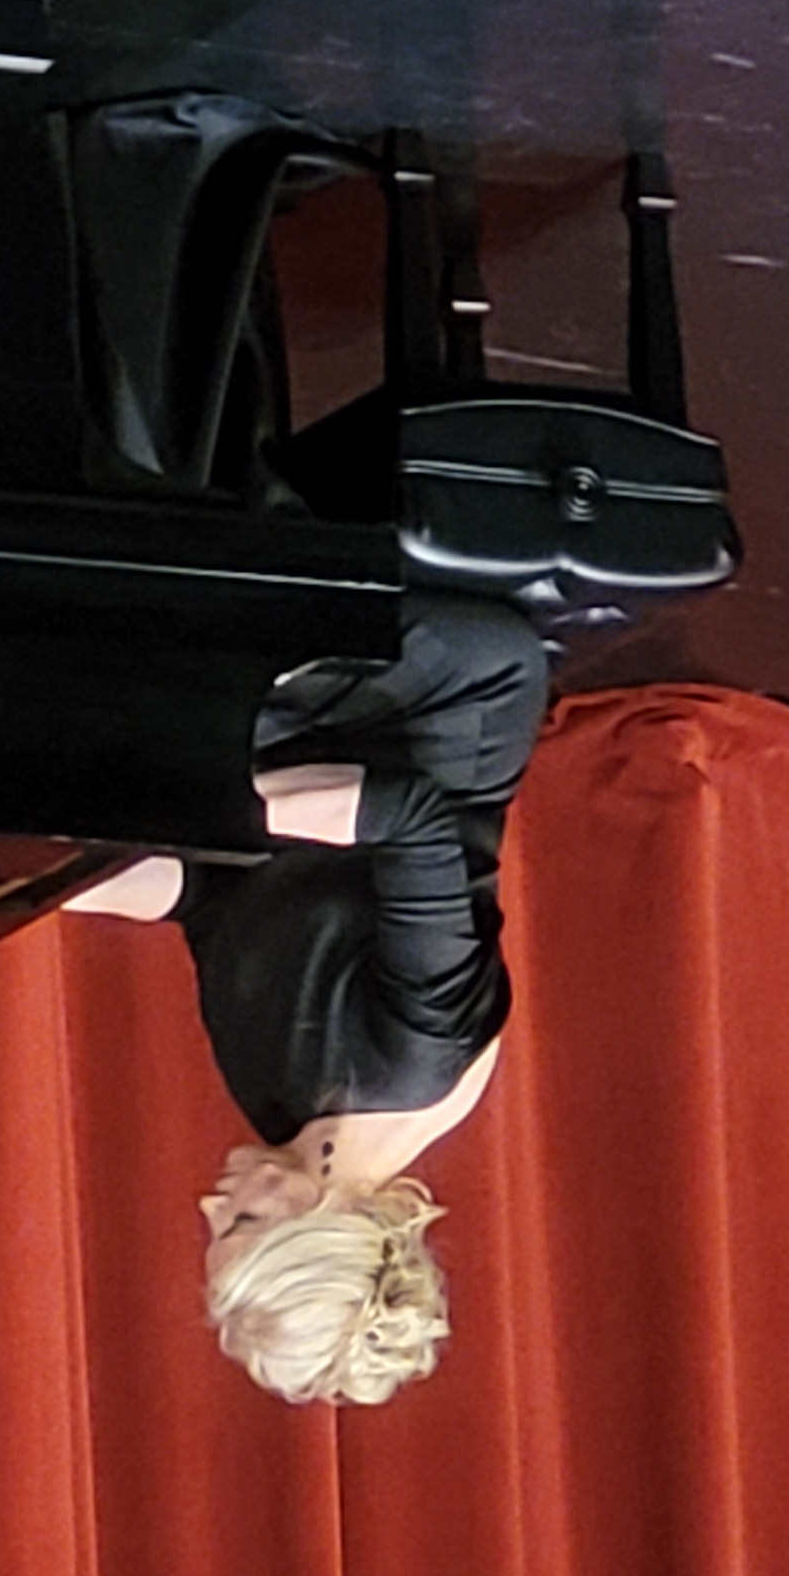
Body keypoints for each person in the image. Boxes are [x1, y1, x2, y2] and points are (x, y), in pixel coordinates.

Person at [63, 592, 549, 1405]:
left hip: (299, 729)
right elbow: (413, 817)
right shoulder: (418, 1057)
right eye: (241, 1224)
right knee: (118, 669)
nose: (212, 1202)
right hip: (435, 695)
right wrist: (214, 798)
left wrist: (39, 890)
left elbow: (213, 892)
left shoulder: (280, 1109)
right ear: (322, 1217)